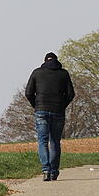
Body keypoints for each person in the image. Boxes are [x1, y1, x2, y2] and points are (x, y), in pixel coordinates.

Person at [25, 52, 75, 181]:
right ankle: (53, 171)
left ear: (45, 61)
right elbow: (71, 94)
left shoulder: (37, 72)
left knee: (42, 141)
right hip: (58, 111)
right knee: (54, 142)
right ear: (56, 61)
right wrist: (62, 105)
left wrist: (36, 105)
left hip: (41, 111)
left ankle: (46, 170)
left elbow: (28, 92)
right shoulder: (63, 74)